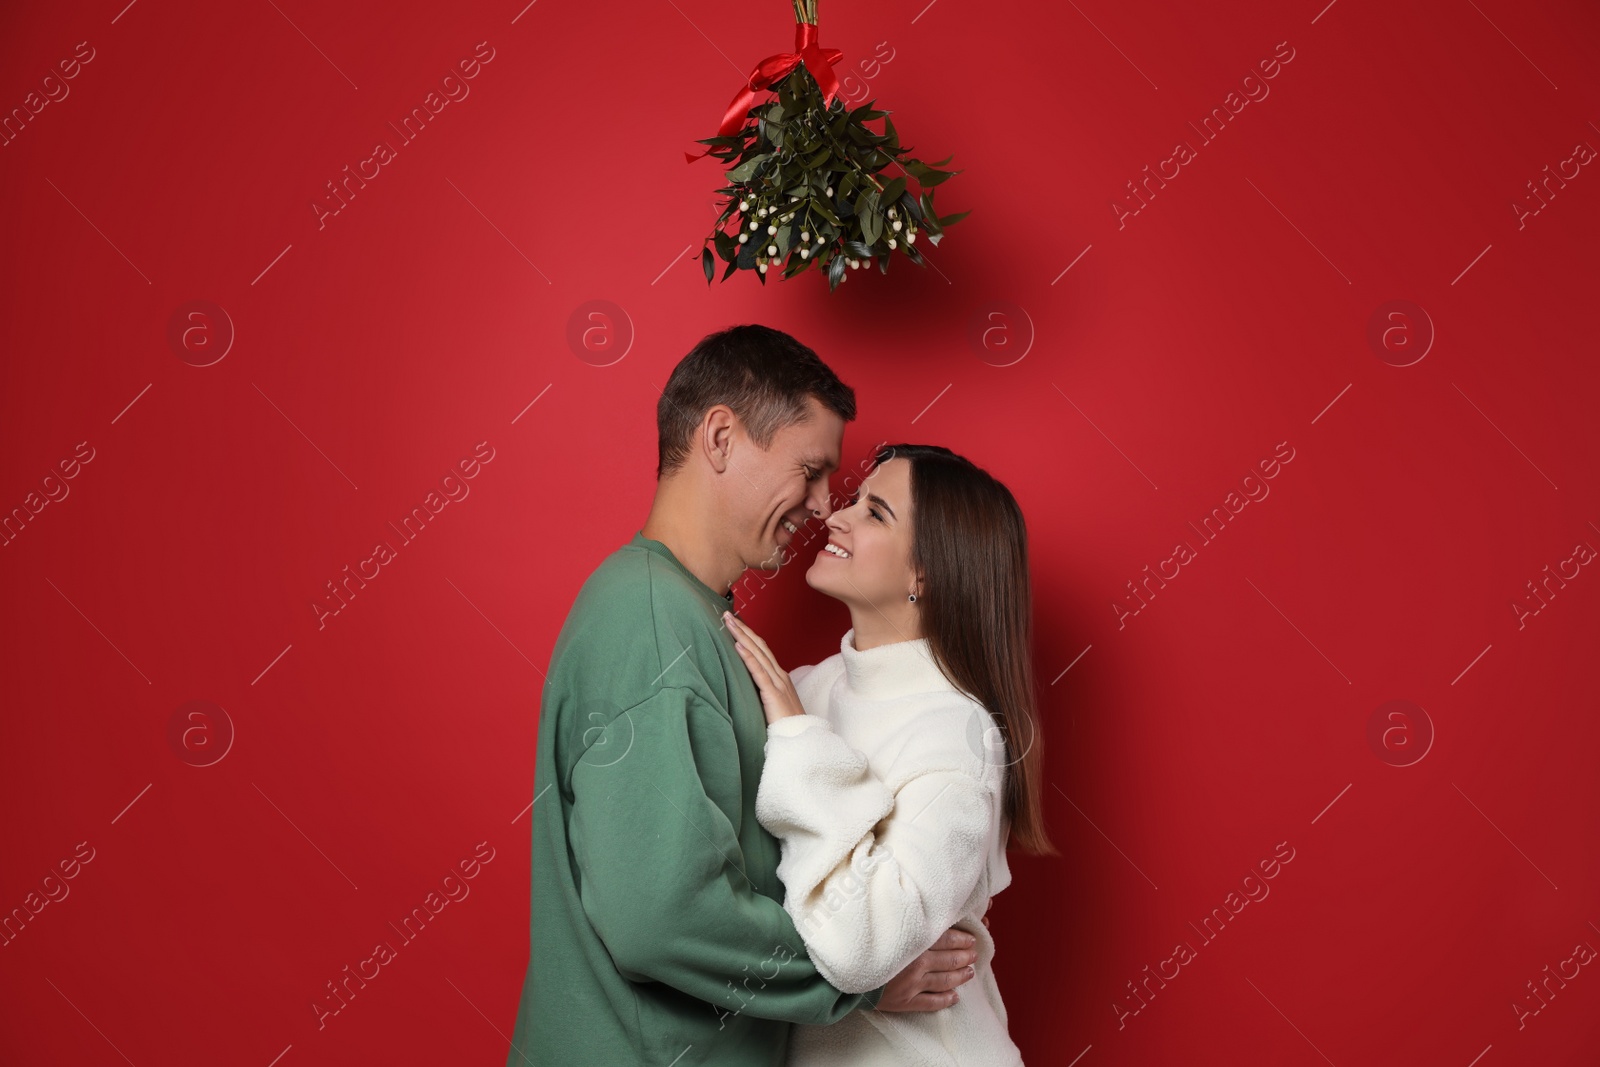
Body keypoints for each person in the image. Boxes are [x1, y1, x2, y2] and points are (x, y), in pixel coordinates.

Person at [505, 326, 980, 1067]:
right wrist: (853, 981)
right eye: (812, 469)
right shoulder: (653, 622)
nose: (824, 504)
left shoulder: (689, 614)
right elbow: (658, 917)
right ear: (721, 437)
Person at [723, 442, 1056, 1066]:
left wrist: (798, 739)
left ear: (923, 574)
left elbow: (855, 946)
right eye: (852, 501)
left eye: (875, 513)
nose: (836, 517)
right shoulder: (804, 688)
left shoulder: (957, 734)